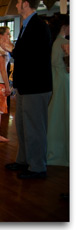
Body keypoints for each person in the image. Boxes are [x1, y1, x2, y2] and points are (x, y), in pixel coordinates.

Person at [5, 0, 52, 179]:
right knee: (23, 126)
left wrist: (11, 49)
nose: (16, 5)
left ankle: (38, 167)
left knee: (35, 128)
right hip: (26, 85)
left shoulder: (39, 26)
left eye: (18, 1)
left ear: (25, 4)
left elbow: (33, 56)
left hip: (36, 85)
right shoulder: (27, 24)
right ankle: (24, 160)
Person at [46, 14, 69, 166]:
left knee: (54, 115)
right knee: (63, 115)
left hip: (53, 79)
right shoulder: (64, 43)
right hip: (63, 80)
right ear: (64, 27)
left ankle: (51, 149)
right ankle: (62, 151)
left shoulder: (52, 42)